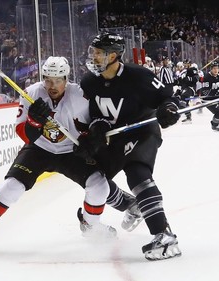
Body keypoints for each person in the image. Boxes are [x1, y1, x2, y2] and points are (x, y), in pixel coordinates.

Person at [0, 56, 138, 251]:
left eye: (57, 80)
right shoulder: (31, 93)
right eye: (48, 79)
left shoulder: (81, 96)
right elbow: (24, 133)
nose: (52, 85)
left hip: (70, 152)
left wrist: (90, 139)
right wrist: (35, 122)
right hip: (40, 149)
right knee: (11, 187)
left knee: (99, 186)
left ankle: (90, 225)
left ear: (66, 78)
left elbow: (97, 123)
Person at [75, 32, 182, 261]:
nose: (92, 56)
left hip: (142, 132)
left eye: (98, 53)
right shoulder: (89, 81)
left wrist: (169, 109)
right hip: (116, 137)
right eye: (92, 52)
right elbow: (95, 114)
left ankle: (163, 235)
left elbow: (168, 98)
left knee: (137, 173)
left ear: (113, 55)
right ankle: (130, 205)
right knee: (93, 175)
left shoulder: (138, 76)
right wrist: (96, 129)